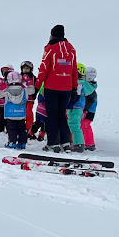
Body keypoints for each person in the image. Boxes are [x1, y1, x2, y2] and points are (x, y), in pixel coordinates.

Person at [35, 24, 78, 153]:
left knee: (52, 116)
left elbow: (44, 69)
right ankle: (65, 142)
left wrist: (37, 86)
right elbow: (74, 70)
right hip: (66, 88)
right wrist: (74, 88)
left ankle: (53, 143)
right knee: (61, 115)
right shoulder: (71, 50)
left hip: (51, 87)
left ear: (52, 34)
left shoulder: (50, 49)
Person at [4, 71, 28, 149]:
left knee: (11, 129)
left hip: (10, 114)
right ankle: (22, 143)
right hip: (21, 114)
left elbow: (0, 96)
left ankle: (12, 142)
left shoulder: (6, 90)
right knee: (22, 129)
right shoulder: (24, 90)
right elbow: (26, 98)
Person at [67, 63, 86, 152]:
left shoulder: (78, 84)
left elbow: (75, 96)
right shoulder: (82, 83)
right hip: (77, 107)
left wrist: (69, 104)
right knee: (74, 125)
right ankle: (77, 142)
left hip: (75, 107)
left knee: (74, 125)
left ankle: (78, 144)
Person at [81, 67, 98, 151]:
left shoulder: (90, 89)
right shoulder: (89, 86)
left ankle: (90, 144)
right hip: (87, 110)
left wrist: (84, 109)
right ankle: (84, 141)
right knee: (82, 125)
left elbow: (90, 101)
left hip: (89, 111)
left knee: (85, 125)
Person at [0, 64, 14, 132]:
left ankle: (9, 128)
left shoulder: (14, 82)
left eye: (7, 72)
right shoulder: (0, 81)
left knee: (10, 117)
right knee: (0, 116)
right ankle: (0, 128)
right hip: (1, 103)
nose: (5, 74)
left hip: (10, 103)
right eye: (4, 72)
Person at [20, 61, 37, 131]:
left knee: (28, 114)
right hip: (20, 99)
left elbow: (37, 87)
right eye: (24, 68)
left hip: (29, 99)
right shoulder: (19, 77)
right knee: (20, 114)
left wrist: (34, 95)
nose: (25, 70)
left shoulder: (33, 78)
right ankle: (20, 128)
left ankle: (29, 128)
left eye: (27, 68)